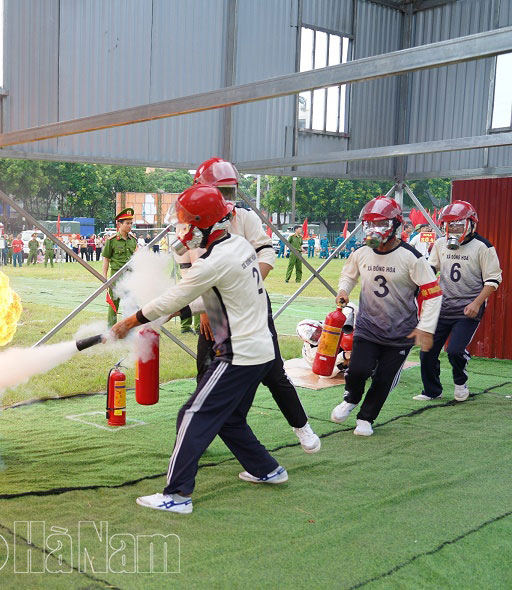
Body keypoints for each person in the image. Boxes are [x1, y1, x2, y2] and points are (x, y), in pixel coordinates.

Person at [109, 185, 287, 514]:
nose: (182, 233)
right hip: (261, 350)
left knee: (191, 414)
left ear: (204, 224)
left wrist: (127, 323)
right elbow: (213, 295)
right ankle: (268, 469)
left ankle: (177, 495)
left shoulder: (212, 262)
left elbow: (173, 296)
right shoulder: (238, 247)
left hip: (239, 354)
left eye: (186, 225)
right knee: (230, 420)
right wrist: (182, 310)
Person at [189, 157, 320, 452]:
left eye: (229, 192)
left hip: (253, 304)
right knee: (207, 369)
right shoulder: (191, 222)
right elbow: (191, 270)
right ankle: (198, 435)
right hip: (214, 310)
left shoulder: (244, 218)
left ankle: (302, 426)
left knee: (272, 370)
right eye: (218, 192)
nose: (225, 200)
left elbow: (266, 253)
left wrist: (247, 285)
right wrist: (208, 309)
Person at [331, 196, 441, 436]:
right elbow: (349, 275)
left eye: (380, 224)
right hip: (368, 326)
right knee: (358, 370)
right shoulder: (361, 253)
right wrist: (343, 290)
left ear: (395, 226)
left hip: (400, 333)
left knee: (383, 379)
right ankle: (351, 398)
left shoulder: (411, 257)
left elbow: (433, 294)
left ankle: (366, 418)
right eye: (369, 224)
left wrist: (426, 327)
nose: (373, 230)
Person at [415, 201, 502, 402]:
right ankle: (432, 390)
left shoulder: (484, 247)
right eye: (449, 225)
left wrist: (476, 303)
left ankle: (460, 381)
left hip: (468, 308)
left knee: (454, 350)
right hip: (443, 307)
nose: (453, 229)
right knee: (427, 350)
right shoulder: (439, 244)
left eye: (458, 224)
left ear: (471, 224)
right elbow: (431, 270)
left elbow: (493, 280)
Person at [102, 208, 138, 326]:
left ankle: (128, 327)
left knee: (130, 303)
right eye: (127, 223)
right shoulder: (111, 241)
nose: (130, 226)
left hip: (130, 276)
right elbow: (106, 259)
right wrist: (104, 278)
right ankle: (110, 329)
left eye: (131, 223)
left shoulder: (133, 240)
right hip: (116, 276)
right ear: (119, 224)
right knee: (114, 304)